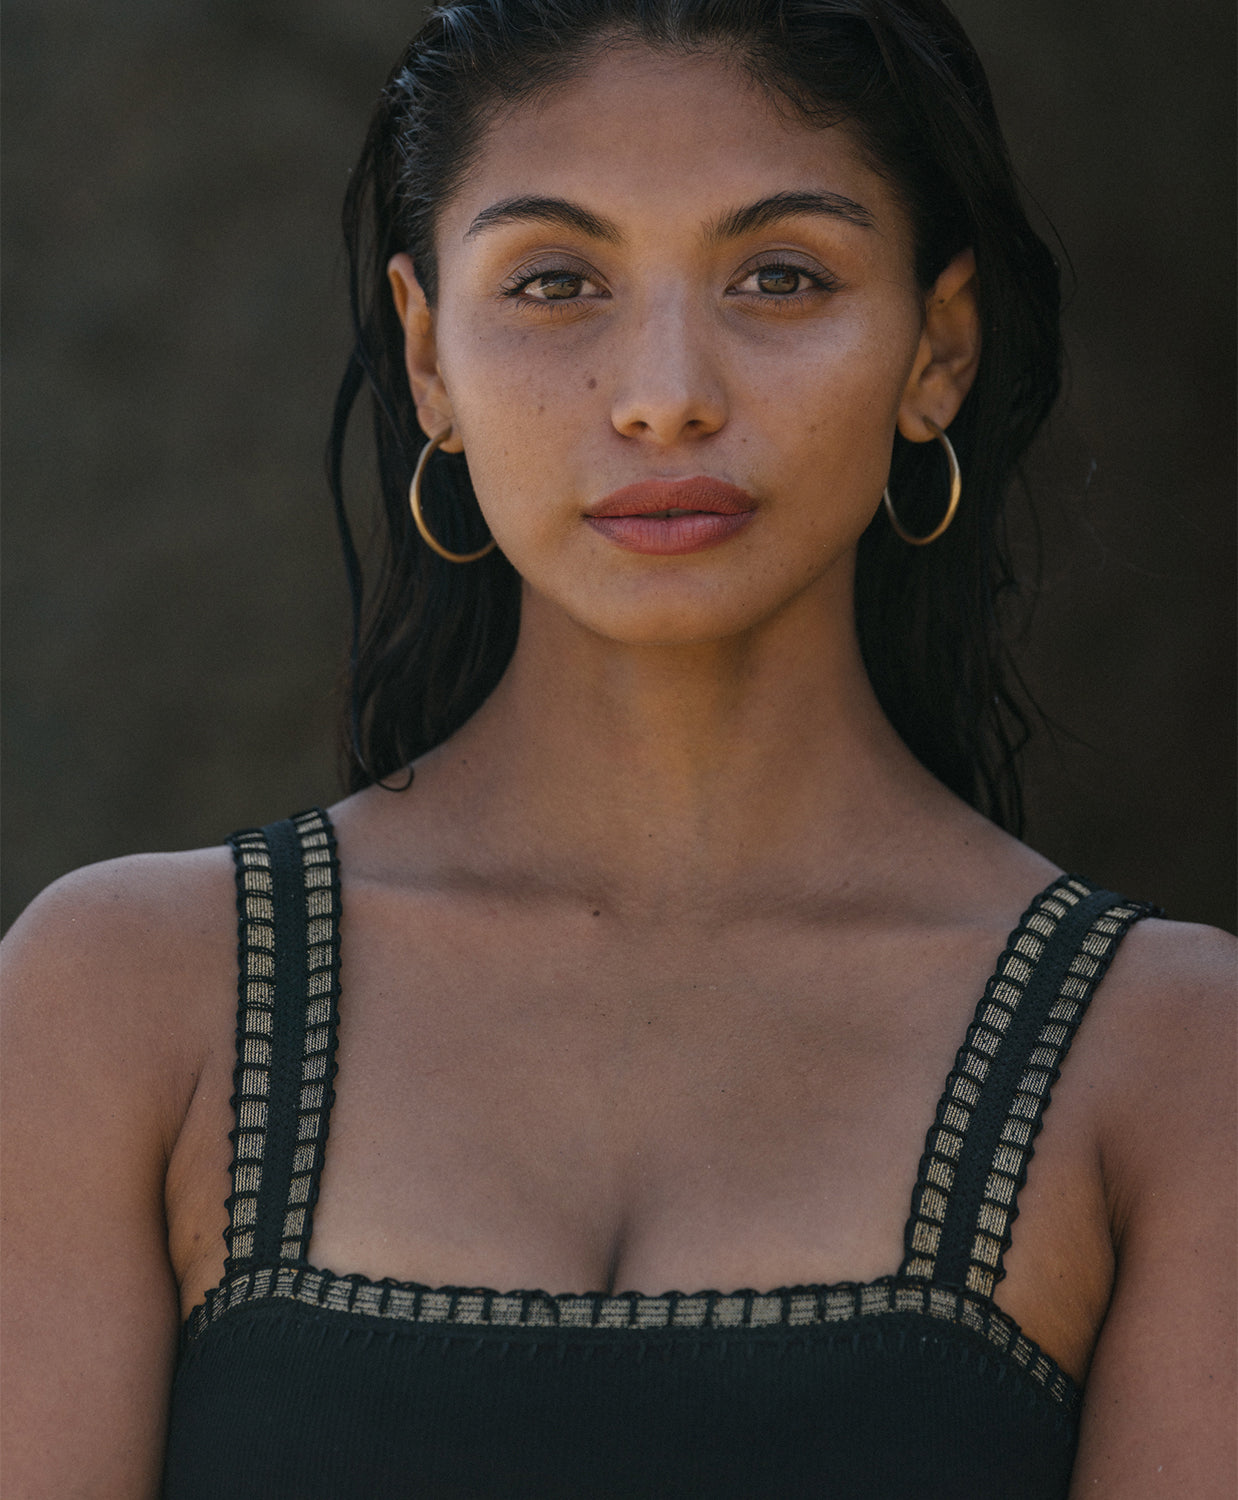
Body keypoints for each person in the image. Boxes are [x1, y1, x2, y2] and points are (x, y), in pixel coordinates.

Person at [2, 0, 1233, 1494]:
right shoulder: (126, 1001)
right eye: (554, 281)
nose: (663, 396)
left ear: (937, 349)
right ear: (428, 354)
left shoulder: (1169, 1062)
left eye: (779, 276)